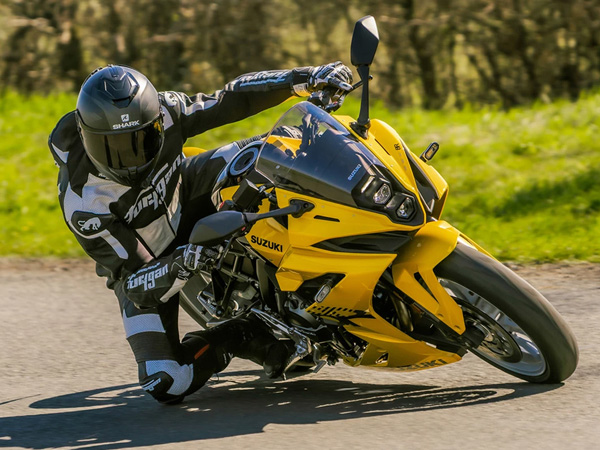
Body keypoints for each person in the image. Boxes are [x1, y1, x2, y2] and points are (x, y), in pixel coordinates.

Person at [48, 62, 352, 404]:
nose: (129, 160)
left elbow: (230, 98)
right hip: (148, 264)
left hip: (187, 191)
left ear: (157, 122)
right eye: (112, 148)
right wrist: (181, 262)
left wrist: (303, 79)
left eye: (142, 141)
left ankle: (346, 231)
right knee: (166, 381)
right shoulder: (83, 202)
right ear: (84, 135)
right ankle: (241, 333)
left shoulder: (167, 110)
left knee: (283, 147)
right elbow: (135, 281)